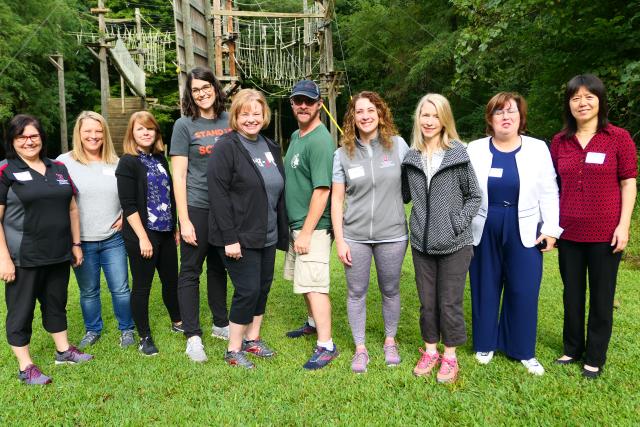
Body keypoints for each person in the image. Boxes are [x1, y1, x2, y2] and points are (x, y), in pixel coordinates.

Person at [467, 92, 563, 376]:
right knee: (485, 284)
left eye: (511, 112)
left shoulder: (537, 148)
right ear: (490, 118)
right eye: (499, 112)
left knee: (524, 288)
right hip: (484, 224)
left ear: (521, 118)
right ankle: (485, 344)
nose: (505, 117)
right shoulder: (475, 148)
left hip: (525, 225)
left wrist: (551, 230)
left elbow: (549, 190)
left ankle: (522, 349)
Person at [551, 74, 637, 379]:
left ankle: (595, 355)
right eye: (575, 98)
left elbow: (628, 183)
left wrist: (623, 226)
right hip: (569, 234)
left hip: (605, 233)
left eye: (589, 96)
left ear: (600, 100)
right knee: (571, 293)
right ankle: (572, 348)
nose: (582, 103)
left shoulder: (618, 138)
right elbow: (553, 186)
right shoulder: (560, 142)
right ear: (569, 104)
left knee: (602, 295)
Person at [0, 114, 93, 385]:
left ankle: (63, 351)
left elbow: (72, 209)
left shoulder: (58, 168)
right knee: (21, 310)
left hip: (58, 252)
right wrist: (4, 258)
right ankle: (25, 366)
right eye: (22, 137)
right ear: (13, 140)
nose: (29, 141)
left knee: (56, 303)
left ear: (42, 138)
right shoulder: (5, 170)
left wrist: (75, 244)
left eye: (34, 136)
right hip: (23, 256)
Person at [401, 94, 481, 383]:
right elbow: (403, 194)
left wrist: (457, 223)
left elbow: (474, 197)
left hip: (455, 244)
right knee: (427, 302)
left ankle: (450, 356)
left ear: (444, 119)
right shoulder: (410, 158)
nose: (429, 121)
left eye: (435, 116)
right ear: (418, 119)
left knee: (449, 302)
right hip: (422, 243)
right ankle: (430, 350)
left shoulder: (458, 155)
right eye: (425, 115)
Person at [208, 89, 288, 368]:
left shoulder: (271, 146)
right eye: (245, 114)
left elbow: (277, 188)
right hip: (238, 236)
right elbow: (217, 195)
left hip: (266, 233)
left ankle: (253, 340)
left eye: (257, 113)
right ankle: (233, 349)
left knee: (263, 286)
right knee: (247, 289)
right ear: (235, 116)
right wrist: (230, 239)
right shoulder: (226, 147)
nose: (251, 119)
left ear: (264, 115)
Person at [331, 91, 409, 373]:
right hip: (355, 236)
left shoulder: (399, 146)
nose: (365, 116)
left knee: (390, 289)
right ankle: (361, 348)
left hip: (393, 234)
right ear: (352, 117)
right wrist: (340, 241)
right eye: (359, 112)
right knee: (356, 292)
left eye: (370, 111)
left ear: (380, 114)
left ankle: (390, 340)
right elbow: (337, 199)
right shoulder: (342, 154)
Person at [57, 111, 135, 350]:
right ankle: (93, 329)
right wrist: (72, 242)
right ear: (78, 134)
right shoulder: (64, 163)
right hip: (82, 241)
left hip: (113, 239)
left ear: (105, 133)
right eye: (88, 131)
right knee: (89, 291)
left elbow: (129, 195)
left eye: (98, 131)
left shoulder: (116, 162)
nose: (93, 136)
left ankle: (127, 329)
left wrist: (124, 215)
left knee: (120, 288)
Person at [170, 66, 232, 362]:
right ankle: (193, 336)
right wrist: (184, 219)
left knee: (221, 267)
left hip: (227, 208)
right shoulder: (184, 125)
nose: (202, 93)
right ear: (190, 95)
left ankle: (221, 324)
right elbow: (179, 175)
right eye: (195, 90)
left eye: (206, 87)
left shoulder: (230, 120)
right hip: (197, 205)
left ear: (215, 88)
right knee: (191, 270)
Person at [116, 111, 182, 356]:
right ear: (132, 134)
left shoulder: (160, 159)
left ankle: (178, 321)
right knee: (142, 287)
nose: (145, 133)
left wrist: (174, 226)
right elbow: (128, 204)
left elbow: (169, 195)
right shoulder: (128, 162)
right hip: (142, 235)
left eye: (150, 129)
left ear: (156, 133)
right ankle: (144, 336)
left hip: (165, 232)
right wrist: (143, 237)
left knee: (171, 281)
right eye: (140, 129)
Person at [284, 79, 337, 370]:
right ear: (292, 104)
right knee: (304, 280)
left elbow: (322, 190)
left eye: (309, 101)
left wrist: (306, 231)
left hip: (313, 228)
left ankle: (326, 345)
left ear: (319, 105)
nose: (303, 106)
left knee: (315, 284)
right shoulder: (296, 135)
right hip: (298, 224)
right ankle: (312, 323)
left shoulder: (320, 140)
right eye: (298, 101)